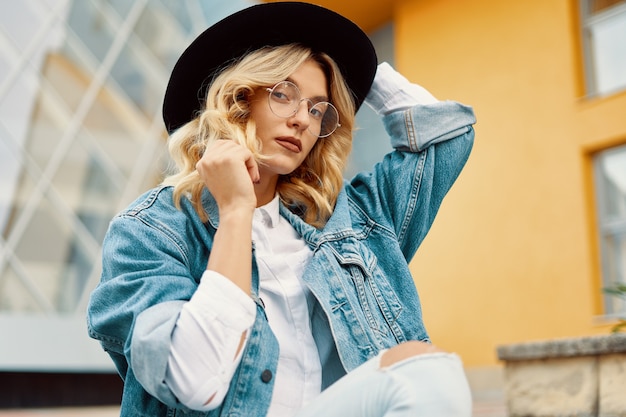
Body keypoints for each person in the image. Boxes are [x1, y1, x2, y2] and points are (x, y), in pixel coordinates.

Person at [87, 2, 477, 416]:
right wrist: (236, 210)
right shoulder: (149, 230)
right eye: (284, 95)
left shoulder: (350, 219)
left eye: (317, 109)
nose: (302, 121)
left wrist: (358, 61)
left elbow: (446, 136)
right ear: (239, 100)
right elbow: (194, 381)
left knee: (425, 371)